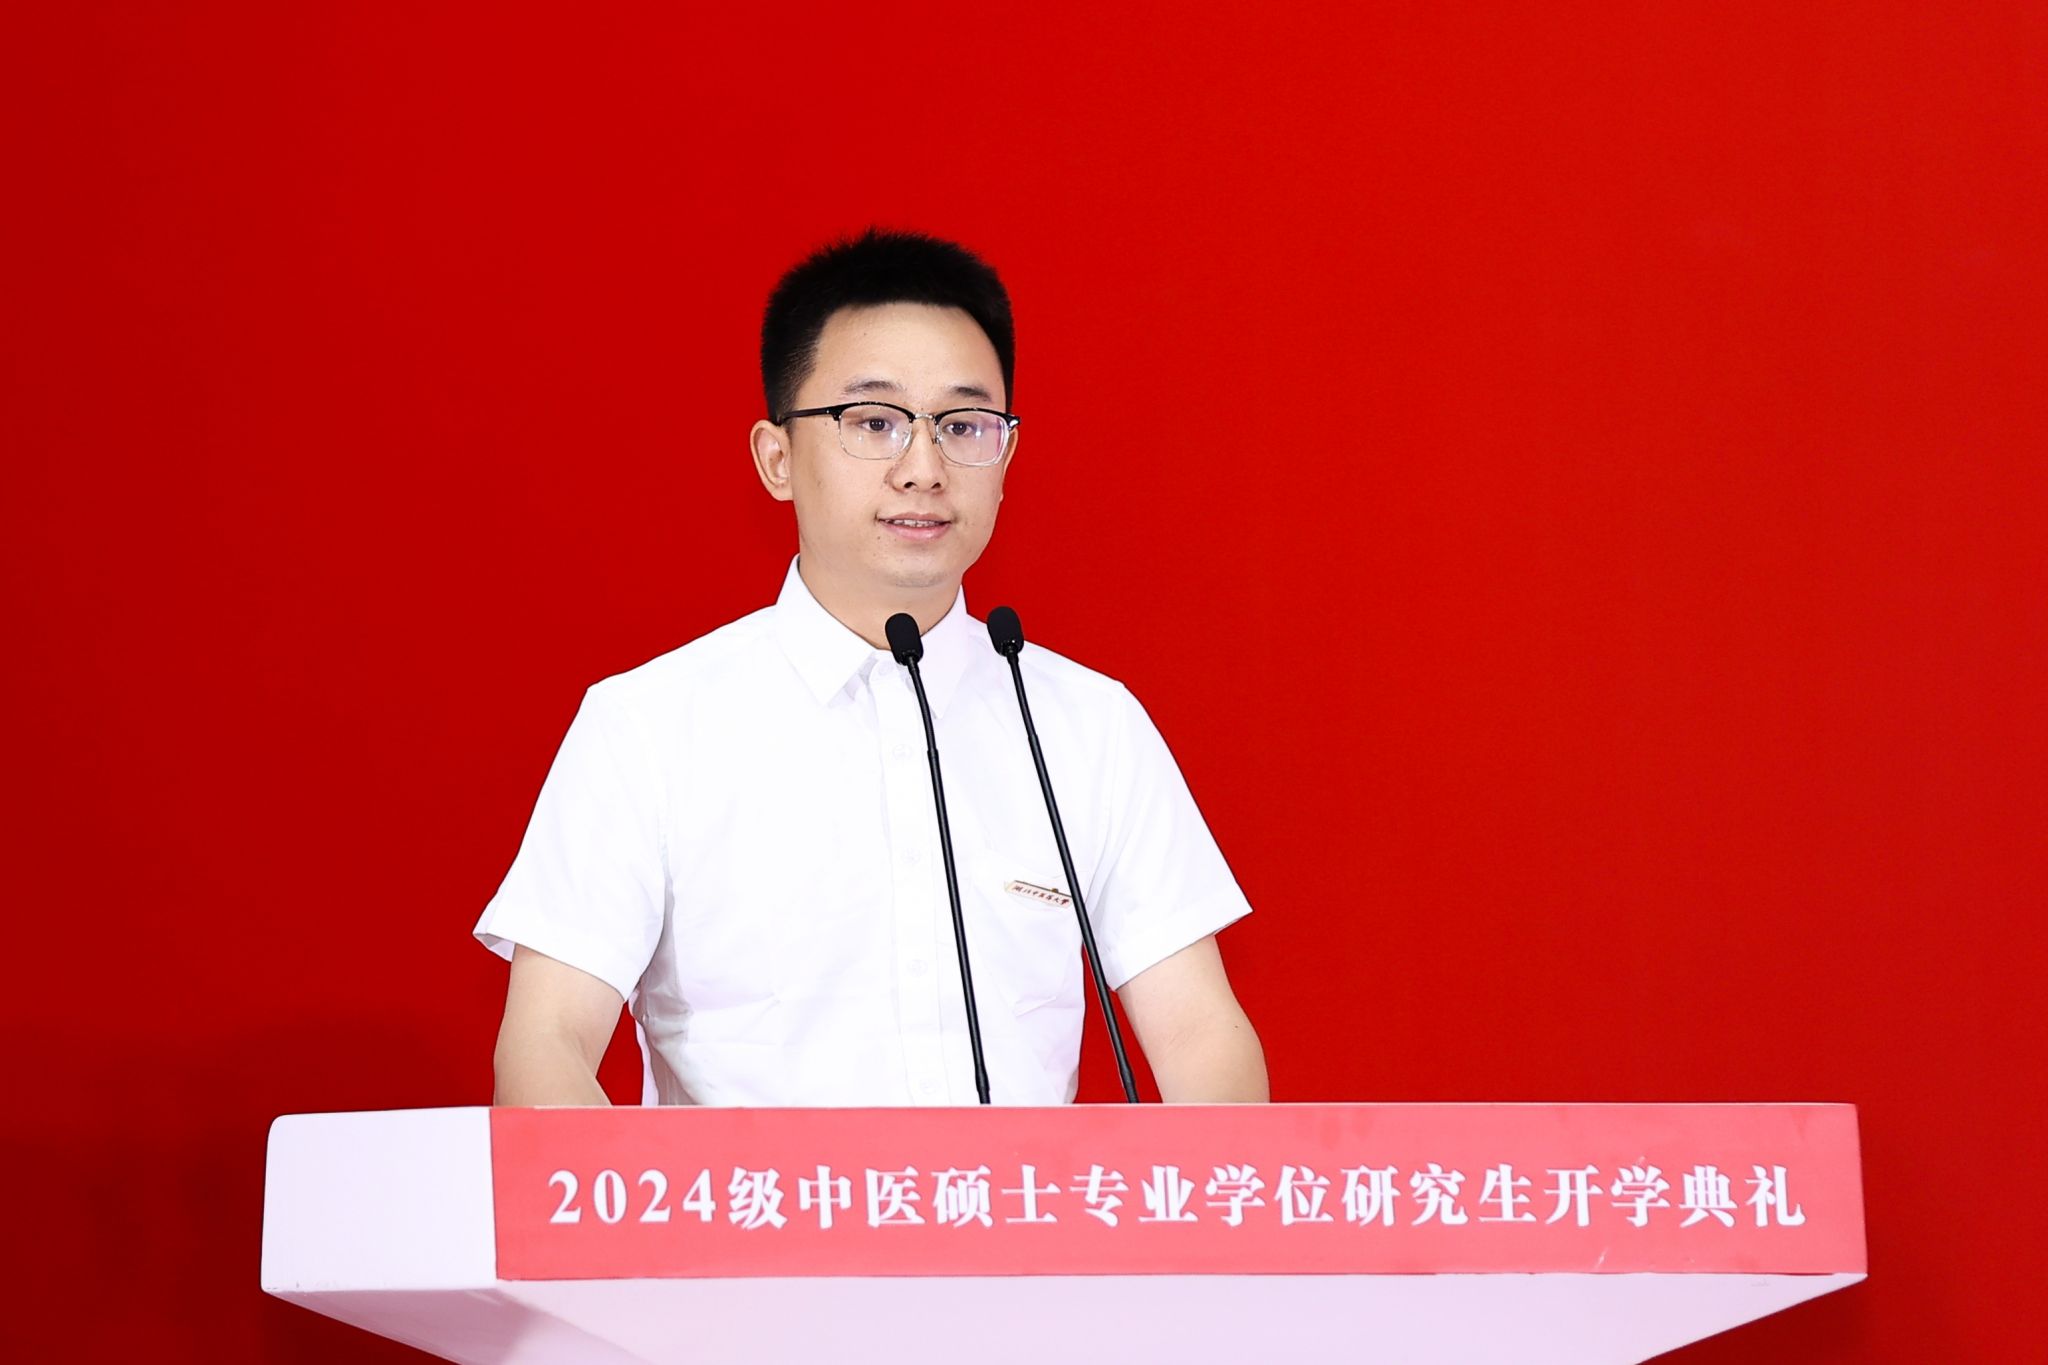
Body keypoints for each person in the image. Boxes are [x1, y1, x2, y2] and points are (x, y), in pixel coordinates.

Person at [478, 229, 1266, 1106]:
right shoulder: (648, 726)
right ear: (777, 459)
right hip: (755, 1204)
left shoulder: (1088, 724)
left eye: (963, 426)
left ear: (1006, 456)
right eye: (874, 423)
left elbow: (1201, 1035)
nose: (923, 469)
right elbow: (547, 1042)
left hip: (1021, 1203)